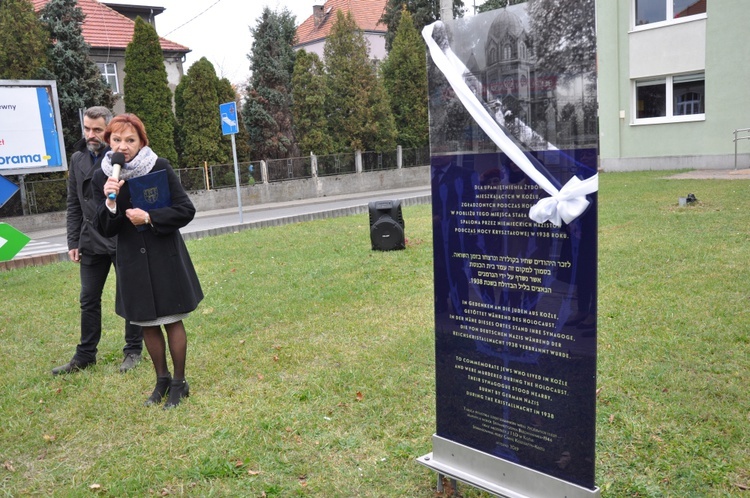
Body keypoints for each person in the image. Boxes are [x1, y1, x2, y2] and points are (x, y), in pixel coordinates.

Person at [93, 113, 203, 409]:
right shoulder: (103, 176)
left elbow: (185, 209)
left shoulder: (159, 167)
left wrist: (150, 217)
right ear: (109, 142)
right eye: (117, 140)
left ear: (142, 142)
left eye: (131, 140)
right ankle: (161, 381)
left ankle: (179, 384)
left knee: (171, 320)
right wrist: (111, 203)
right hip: (132, 262)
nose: (124, 146)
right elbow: (104, 228)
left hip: (164, 256)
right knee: (147, 324)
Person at [53, 107, 143, 375]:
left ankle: (133, 350)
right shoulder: (78, 158)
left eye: (96, 130)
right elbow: (74, 203)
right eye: (87, 128)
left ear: (107, 132)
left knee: (129, 295)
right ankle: (85, 354)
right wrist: (73, 241)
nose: (90, 134)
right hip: (90, 240)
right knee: (88, 298)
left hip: (119, 236)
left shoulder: (121, 156)